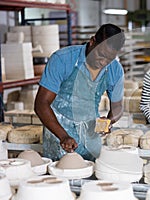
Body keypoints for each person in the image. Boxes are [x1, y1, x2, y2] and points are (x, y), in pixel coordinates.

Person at [34, 24, 125, 161]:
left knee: (90, 178)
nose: (103, 62)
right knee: (60, 177)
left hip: (90, 137)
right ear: (92, 41)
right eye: (101, 55)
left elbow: (117, 107)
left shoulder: (115, 69)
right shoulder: (62, 59)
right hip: (58, 135)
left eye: (109, 59)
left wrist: (108, 121)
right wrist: (63, 136)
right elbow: (41, 104)